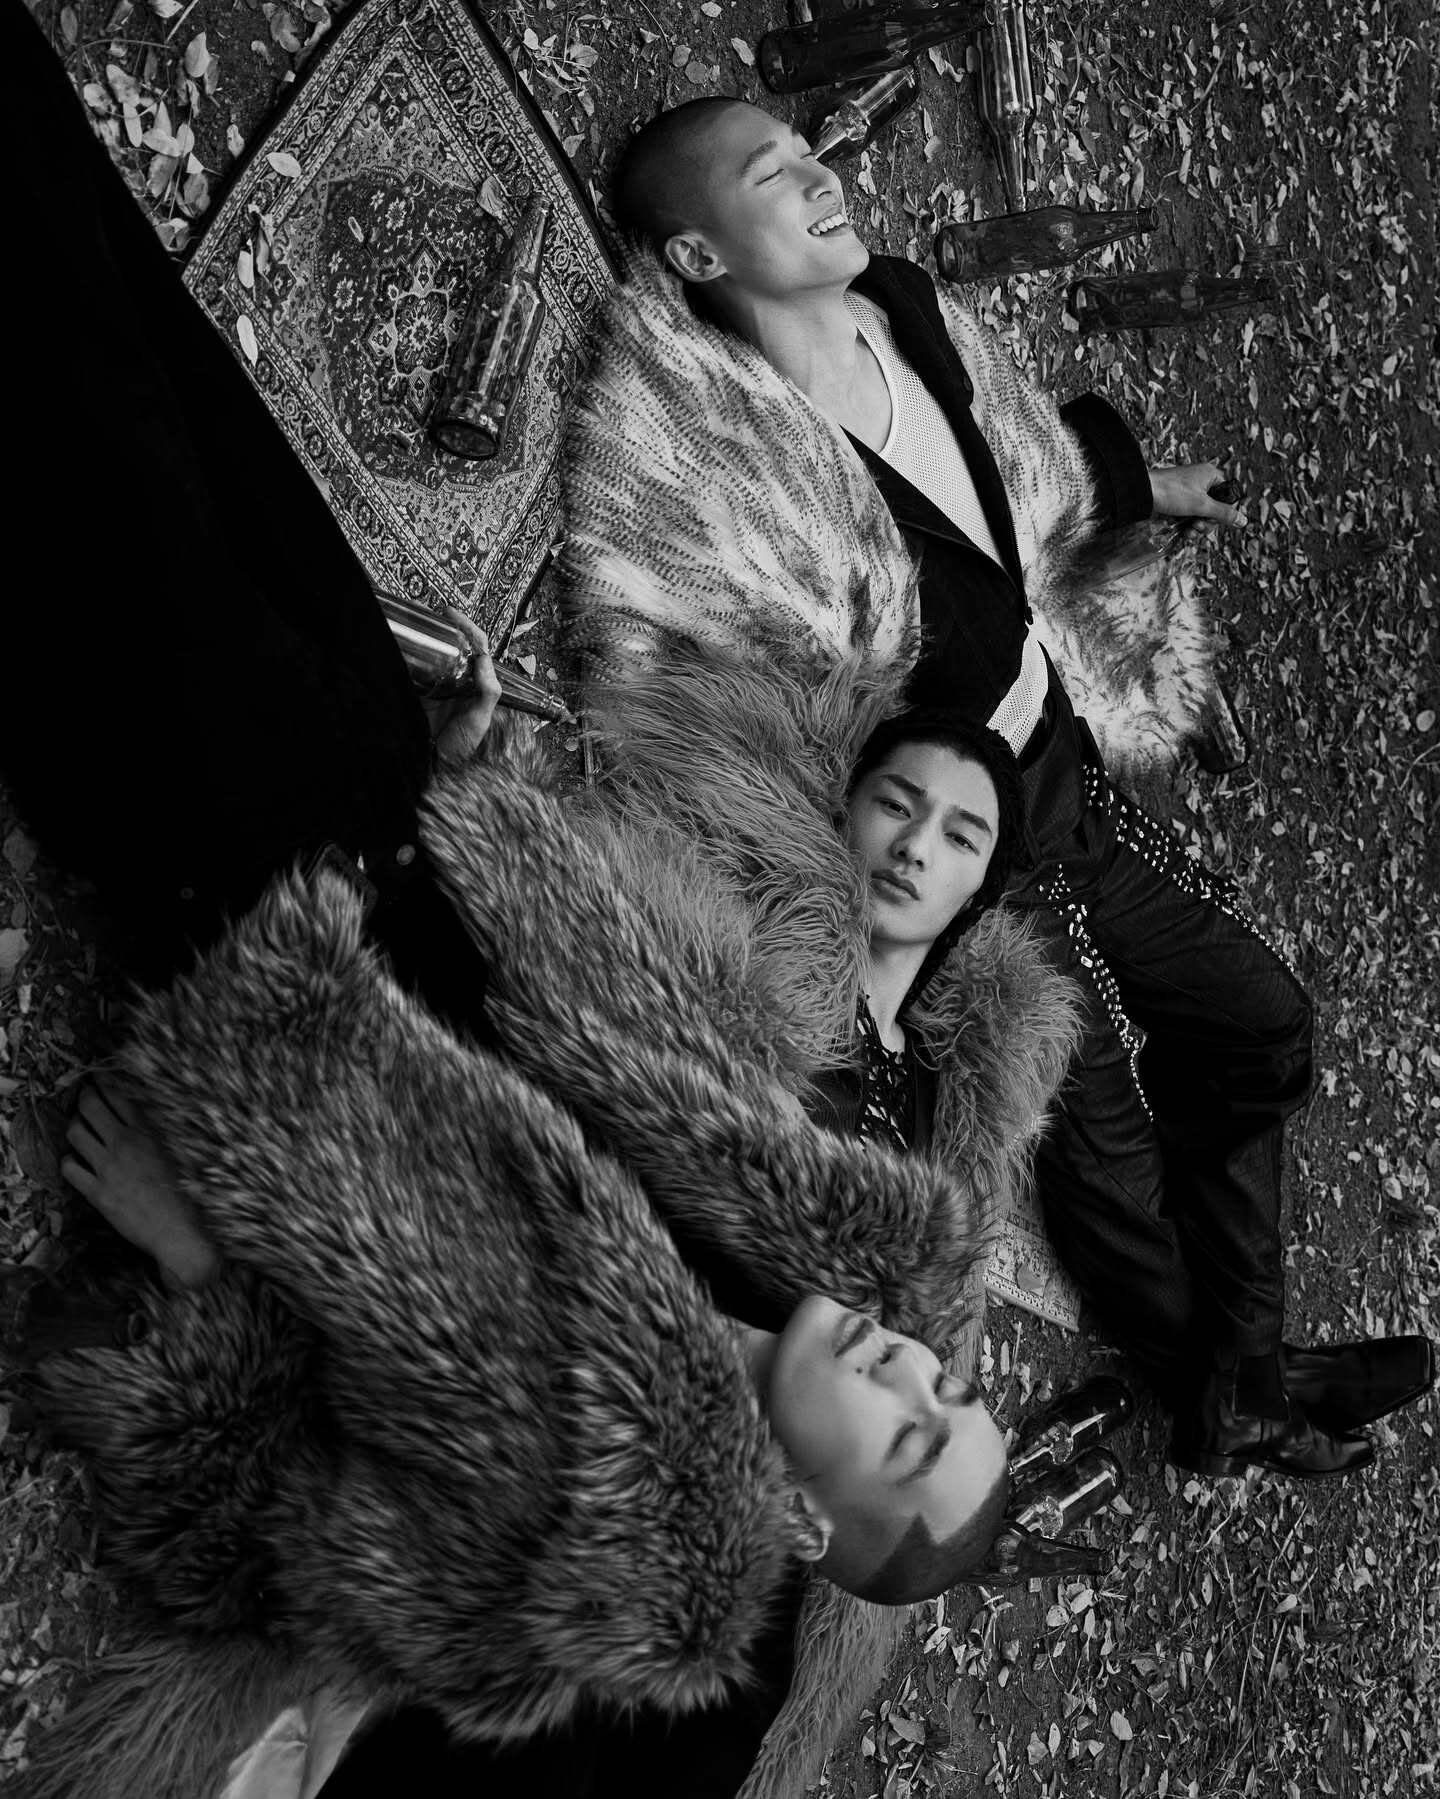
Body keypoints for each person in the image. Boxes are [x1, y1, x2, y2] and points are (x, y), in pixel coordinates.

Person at [0, 19, 1070, 1798]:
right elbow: (604, 1002)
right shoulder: (795, 1225)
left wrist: (196, 1268)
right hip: (401, 802)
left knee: (83, 418)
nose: (916, 1378)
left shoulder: (597, 1561)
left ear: (811, 1525)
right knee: (169, 377)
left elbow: (288, 1550)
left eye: (905, 1440)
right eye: (949, 1396)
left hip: (262, 926)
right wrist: (499, 811)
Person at [561, 94, 1435, 1484]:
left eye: (809, 151)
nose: (821, 176)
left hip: (1061, 762)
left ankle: (1244, 1377)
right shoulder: (729, 467)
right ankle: (1236, 1381)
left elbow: (1015, 479)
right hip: (969, 856)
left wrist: (1141, 482)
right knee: (1102, 1143)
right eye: (772, 173)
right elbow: (698, 699)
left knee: (1264, 1021)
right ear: (698, 257)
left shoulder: (904, 309)